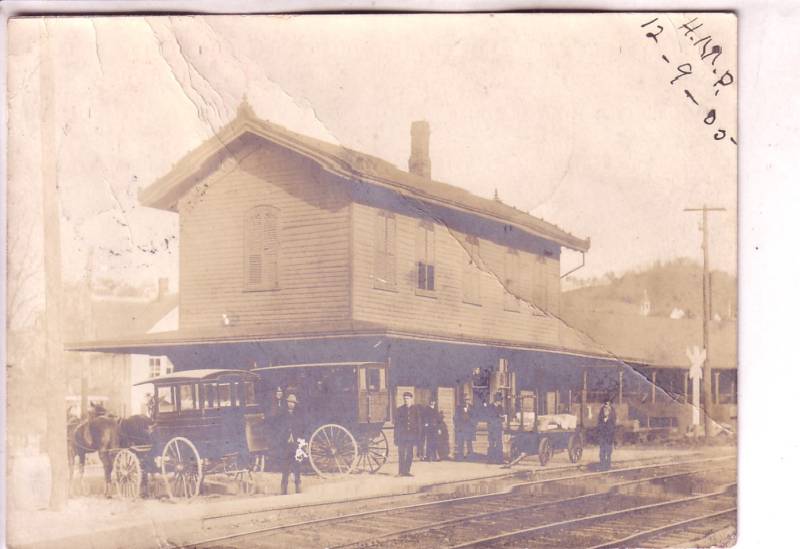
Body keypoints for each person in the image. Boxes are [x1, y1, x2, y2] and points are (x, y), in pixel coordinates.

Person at [273, 393, 307, 494]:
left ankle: (298, 487)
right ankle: (284, 489)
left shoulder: (299, 415)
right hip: (286, 444)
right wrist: (285, 436)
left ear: (295, 404)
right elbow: (279, 428)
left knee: (297, 466)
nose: (291, 404)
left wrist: (300, 440)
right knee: (285, 466)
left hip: (297, 444)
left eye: (293, 402)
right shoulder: (282, 414)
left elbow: (302, 428)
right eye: (289, 402)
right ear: (286, 403)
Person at [394, 392, 422, 476]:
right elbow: (397, 425)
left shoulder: (416, 410)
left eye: (408, 398)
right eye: (405, 399)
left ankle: (407, 471)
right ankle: (401, 472)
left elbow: (419, 424)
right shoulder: (400, 410)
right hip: (402, 435)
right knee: (401, 453)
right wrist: (396, 437)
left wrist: (418, 436)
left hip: (411, 435)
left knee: (410, 454)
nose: (406, 400)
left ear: (411, 399)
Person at [596, 399, 617, 471]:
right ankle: (602, 466)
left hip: (609, 440)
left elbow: (613, 430)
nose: (605, 411)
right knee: (601, 453)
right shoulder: (601, 419)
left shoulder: (611, 420)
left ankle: (607, 466)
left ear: (610, 411)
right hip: (602, 439)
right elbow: (599, 428)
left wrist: (612, 440)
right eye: (604, 410)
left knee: (608, 453)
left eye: (607, 410)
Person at [486, 395, 505, 464]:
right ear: (497, 401)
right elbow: (489, 417)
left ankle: (499, 460)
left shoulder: (500, 407)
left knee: (499, 444)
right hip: (492, 429)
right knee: (491, 444)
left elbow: (502, 416)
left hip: (498, 428)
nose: (501, 403)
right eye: (500, 401)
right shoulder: (490, 407)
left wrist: (501, 417)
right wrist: (498, 416)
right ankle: (490, 460)